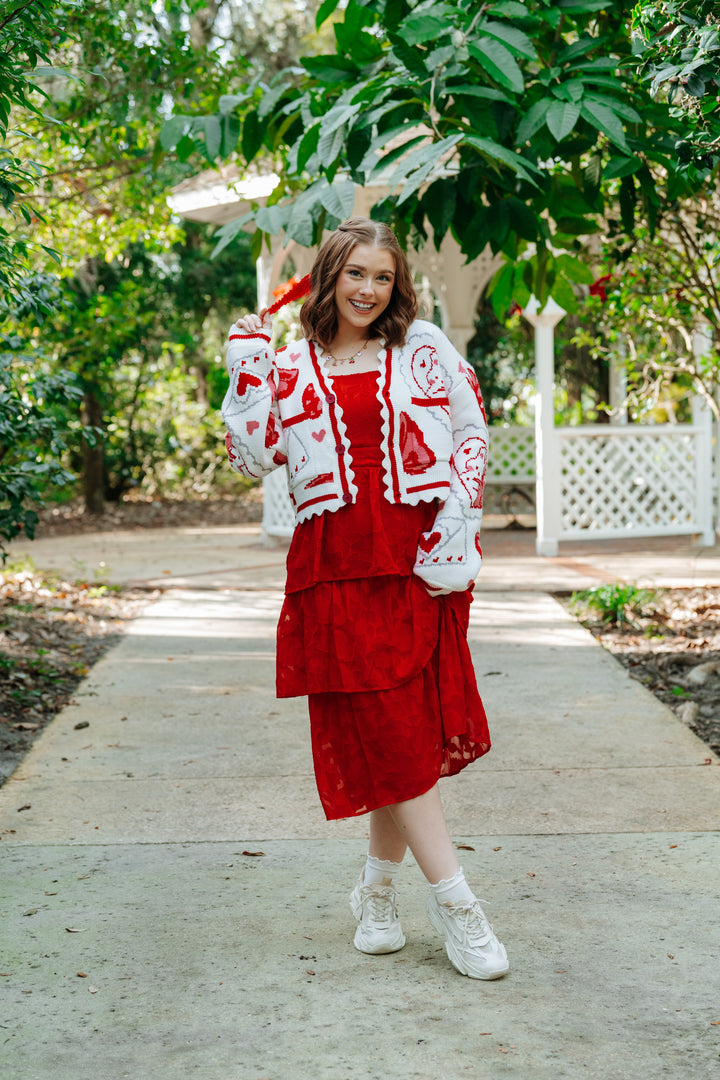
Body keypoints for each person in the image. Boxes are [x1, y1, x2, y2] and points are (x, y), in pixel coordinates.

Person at [222, 216, 508, 981]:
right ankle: (458, 905)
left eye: (382, 277)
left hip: (418, 560)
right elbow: (253, 456)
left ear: (396, 284)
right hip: (336, 567)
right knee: (394, 733)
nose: (369, 290)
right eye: (356, 275)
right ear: (330, 276)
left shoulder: (423, 349)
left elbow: (471, 430)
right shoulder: (290, 365)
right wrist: (247, 364)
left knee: (402, 733)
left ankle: (378, 894)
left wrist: (458, 519)